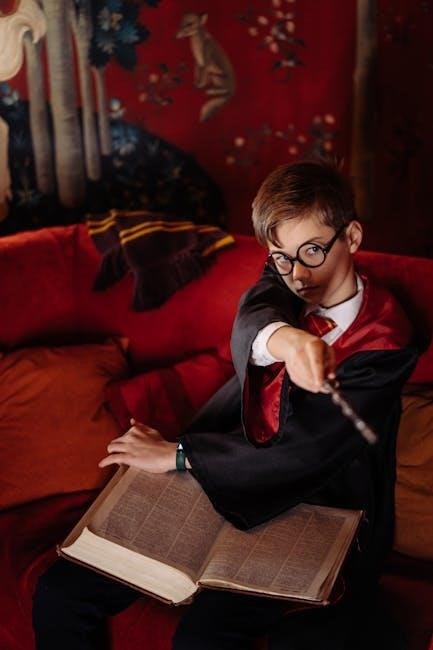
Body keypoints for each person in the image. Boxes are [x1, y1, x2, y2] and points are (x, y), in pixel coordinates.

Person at [32, 159, 418, 650]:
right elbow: (256, 310)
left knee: (203, 639)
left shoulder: (386, 340)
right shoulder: (286, 274)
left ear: (353, 237)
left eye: (313, 250)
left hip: (316, 505)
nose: (298, 274)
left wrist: (178, 455)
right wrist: (286, 340)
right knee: (59, 595)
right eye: (281, 257)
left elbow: (307, 454)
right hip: (219, 473)